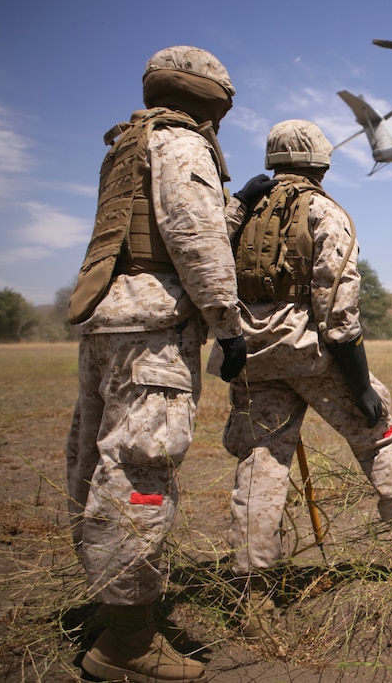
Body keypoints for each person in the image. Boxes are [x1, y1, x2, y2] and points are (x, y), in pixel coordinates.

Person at [64, 46, 276, 683]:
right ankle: (127, 644)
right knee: (140, 473)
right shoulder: (183, 145)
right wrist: (227, 325)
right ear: (213, 101)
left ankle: (116, 608)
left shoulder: (130, 142)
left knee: (97, 464)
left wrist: (235, 202)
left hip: (111, 320)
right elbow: (194, 239)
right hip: (154, 333)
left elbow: (160, 229)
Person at [216, 119, 392, 640]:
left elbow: (206, 258)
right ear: (321, 163)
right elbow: (338, 312)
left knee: (260, 465)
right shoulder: (326, 212)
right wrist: (361, 386)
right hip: (311, 352)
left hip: (252, 355)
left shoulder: (242, 212)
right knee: (378, 433)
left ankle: (253, 597)